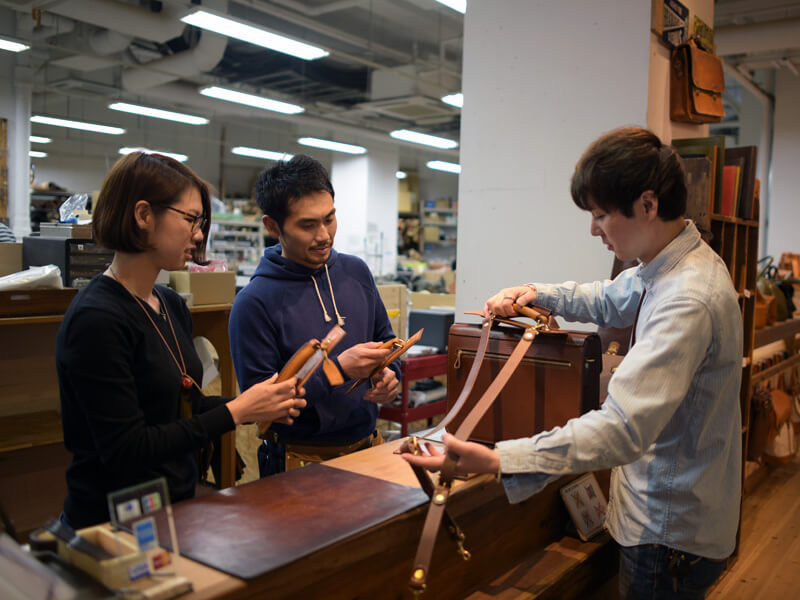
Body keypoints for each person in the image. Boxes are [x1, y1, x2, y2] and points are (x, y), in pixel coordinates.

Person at [404, 127, 742, 599]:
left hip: (668, 534)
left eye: (601, 215)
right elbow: (610, 298)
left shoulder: (687, 299)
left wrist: (501, 459)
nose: (593, 229)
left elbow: (622, 428)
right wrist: (537, 293)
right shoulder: (671, 265)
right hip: (674, 519)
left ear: (647, 205)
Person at [56, 152, 306, 529]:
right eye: (190, 219)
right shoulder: (97, 319)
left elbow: (180, 407)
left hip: (172, 510)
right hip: (110, 525)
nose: (200, 234)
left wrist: (250, 405)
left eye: (201, 222)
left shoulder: (170, 304)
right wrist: (235, 413)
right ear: (143, 215)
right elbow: (128, 447)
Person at [229, 154, 400, 475]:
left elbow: (388, 341)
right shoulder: (254, 302)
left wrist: (391, 376)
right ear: (272, 226)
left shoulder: (356, 272)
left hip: (368, 451)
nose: (324, 235)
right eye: (307, 225)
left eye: (330, 218)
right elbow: (261, 409)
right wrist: (337, 372)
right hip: (297, 464)